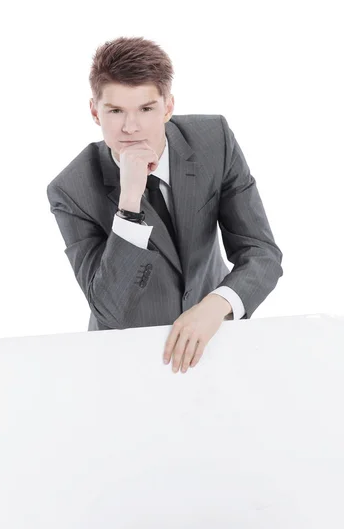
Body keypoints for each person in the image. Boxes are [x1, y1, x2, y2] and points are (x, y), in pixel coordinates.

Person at [46, 36, 283, 370]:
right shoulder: (71, 189)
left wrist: (215, 306)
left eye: (146, 109)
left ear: (168, 106)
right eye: (115, 111)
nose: (130, 127)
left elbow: (262, 254)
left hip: (215, 344)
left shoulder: (214, 141)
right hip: (127, 361)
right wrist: (129, 203)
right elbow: (110, 309)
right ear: (94, 111)